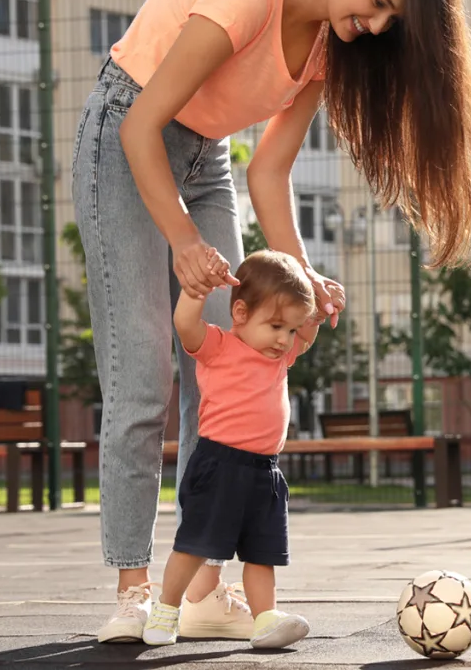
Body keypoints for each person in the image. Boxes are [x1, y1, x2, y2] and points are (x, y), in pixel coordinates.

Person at [70, 0, 471, 644]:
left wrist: (301, 281)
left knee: (223, 364)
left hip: (206, 156)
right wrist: (185, 241)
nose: (375, 25)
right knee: (143, 377)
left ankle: (204, 593)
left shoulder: (329, 45)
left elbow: (268, 170)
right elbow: (139, 127)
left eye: (391, 22)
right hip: (126, 133)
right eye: (382, 1)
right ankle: (133, 591)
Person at [141, 249, 321, 649]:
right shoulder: (219, 346)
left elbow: (308, 331)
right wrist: (197, 288)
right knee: (195, 545)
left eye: (289, 330)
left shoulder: (279, 354)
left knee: (262, 553)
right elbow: (184, 323)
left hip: (265, 472)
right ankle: (167, 610)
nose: (284, 339)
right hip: (219, 465)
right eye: (276, 326)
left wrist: (321, 304)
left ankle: (265, 620)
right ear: (240, 313)